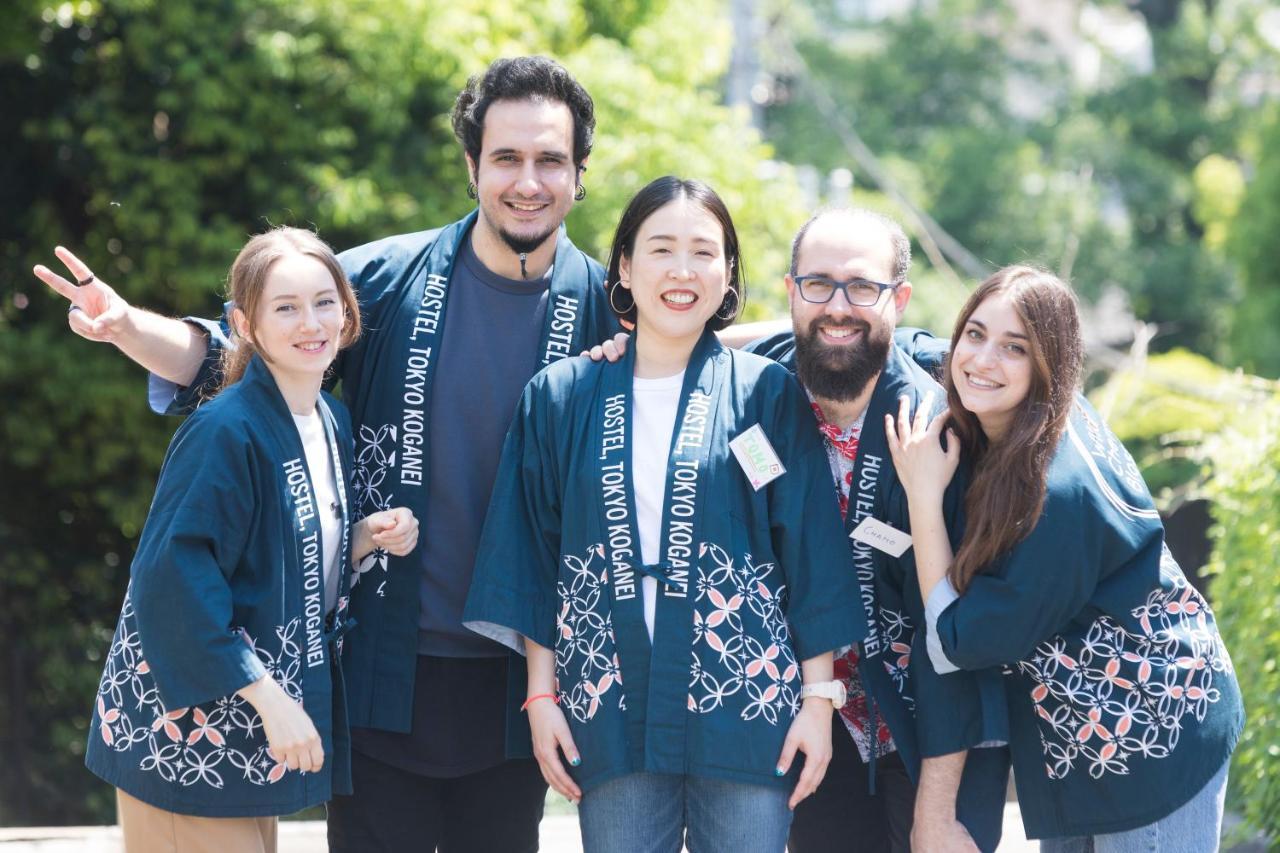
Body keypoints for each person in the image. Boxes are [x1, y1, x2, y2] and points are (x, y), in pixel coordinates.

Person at [35, 56, 620, 852]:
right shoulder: (388, 276)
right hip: (382, 659)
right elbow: (239, 352)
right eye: (506, 158)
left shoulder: (604, 311)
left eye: (550, 159)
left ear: (580, 173)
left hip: (522, 676)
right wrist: (129, 327)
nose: (528, 181)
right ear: (471, 165)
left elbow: (697, 379)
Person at [463, 176, 867, 852]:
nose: (683, 271)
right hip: (610, 706)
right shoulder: (562, 398)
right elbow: (532, 555)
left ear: (728, 270)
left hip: (745, 709)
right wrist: (540, 698)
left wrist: (819, 701)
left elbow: (811, 551)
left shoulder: (765, 394)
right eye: (661, 249)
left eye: (704, 252)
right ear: (624, 265)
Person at [43, 228, 418, 852]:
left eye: (326, 302)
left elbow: (278, 557)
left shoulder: (328, 418)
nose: (312, 322)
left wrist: (357, 540)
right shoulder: (225, 429)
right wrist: (272, 702)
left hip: (241, 737)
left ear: (349, 313)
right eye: (286, 307)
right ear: (245, 324)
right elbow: (172, 584)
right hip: (181, 737)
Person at [888, 265, 1244, 849]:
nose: (981, 359)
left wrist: (923, 497)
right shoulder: (1033, 405)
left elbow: (957, 640)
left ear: (1048, 361)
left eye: (1014, 348)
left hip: (1152, 735)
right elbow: (911, 342)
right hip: (1087, 736)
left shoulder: (1056, 494)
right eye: (974, 334)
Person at [741, 208, 1011, 853]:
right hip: (808, 721)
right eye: (818, 285)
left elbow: (958, 640)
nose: (838, 307)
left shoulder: (947, 432)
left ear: (900, 300)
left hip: (928, 728)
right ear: (790, 292)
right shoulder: (751, 405)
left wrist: (937, 810)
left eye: (862, 287)